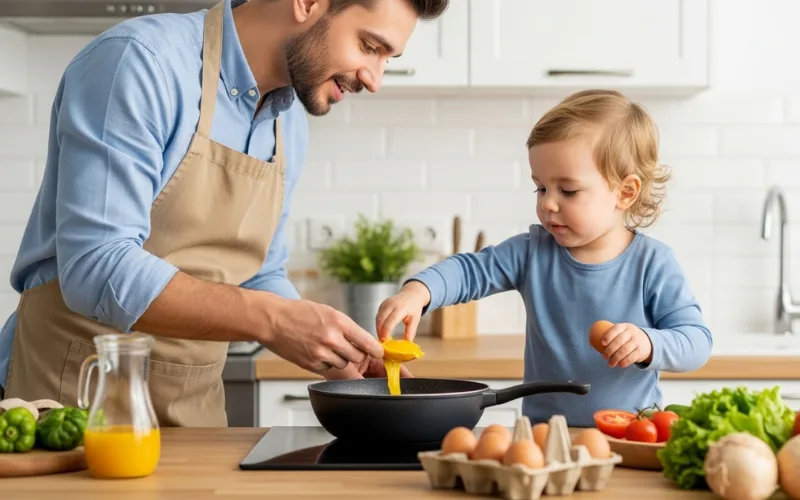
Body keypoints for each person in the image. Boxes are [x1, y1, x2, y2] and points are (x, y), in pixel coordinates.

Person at [0, 0, 448, 426]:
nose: (374, 79)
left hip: (193, 412)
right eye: (370, 47)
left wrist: (339, 349)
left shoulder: (286, 119)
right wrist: (274, 321)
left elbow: (257, 273)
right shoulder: (139, 63)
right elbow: (97, 267)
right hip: (74, 400)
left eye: (389, 58)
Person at [376, 89, 713, 427]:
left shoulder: (653, 263)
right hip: (544, 436)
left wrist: (649, 343)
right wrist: (419, 291)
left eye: (568, 191)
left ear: (625, 192)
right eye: (540, 188)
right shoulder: (532, 251)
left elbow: (697, 342)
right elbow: (469, 272)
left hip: (628, 436)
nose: (548, 203)